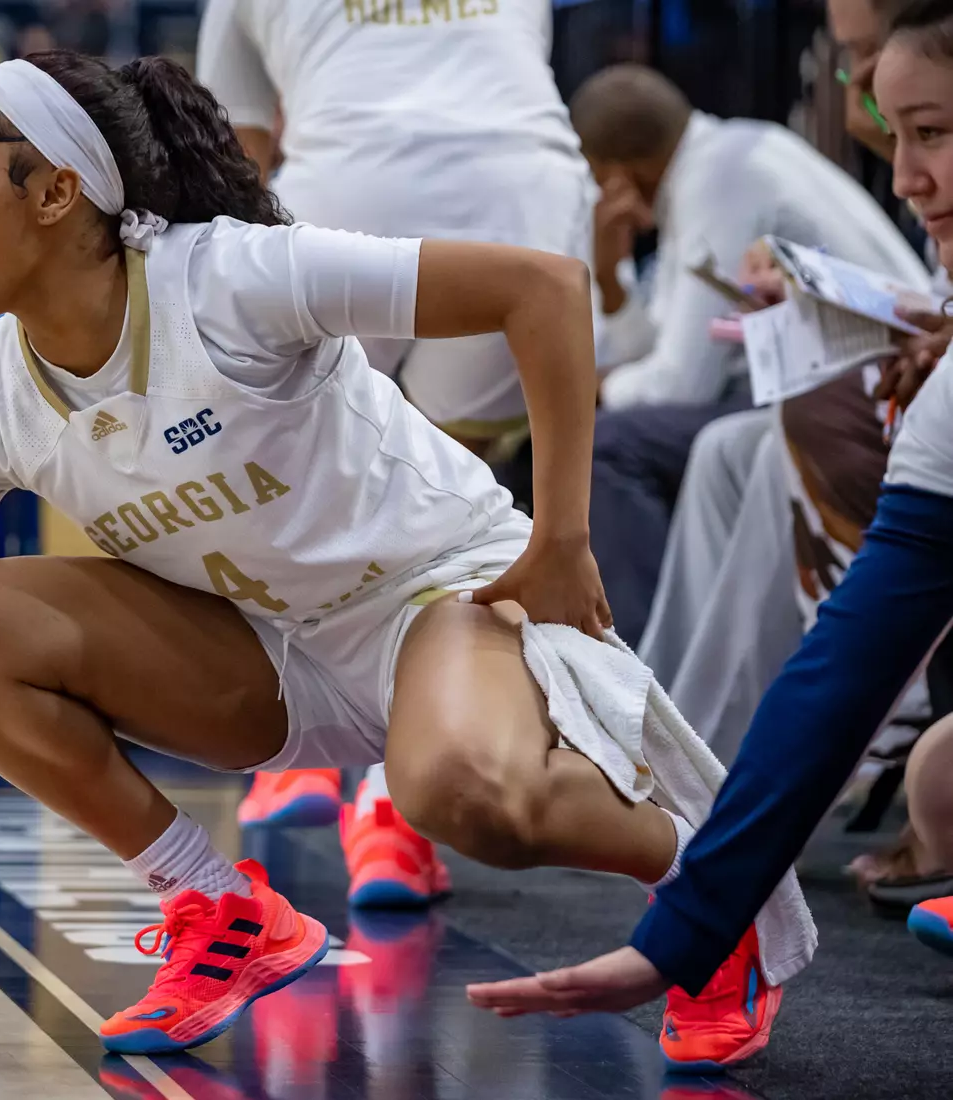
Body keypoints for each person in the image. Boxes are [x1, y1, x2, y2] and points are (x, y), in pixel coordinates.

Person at [0, 51, 794, 1070]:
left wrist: (560, 535)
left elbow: (543, 286)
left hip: (434, 592)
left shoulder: (234, 280)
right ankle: (226, 907)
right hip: (265, 649)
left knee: (467, 796)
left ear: (54, 194)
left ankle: (708, 886)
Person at [465, 0, 953, 1020]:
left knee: (634, 444)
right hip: (852, 411)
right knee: (940, 774)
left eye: (932, 133)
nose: (902, 174)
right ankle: (673, 746)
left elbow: (664, 371)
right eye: (893, 122)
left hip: (840, 403)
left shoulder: (732, 171)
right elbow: (851, 655)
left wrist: (564, 394)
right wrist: (690, 925)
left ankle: (643, 728)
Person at [194, 0, 597, 900]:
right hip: (515, 188)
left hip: (341, 187)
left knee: (305, 473)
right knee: (453, 508)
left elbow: (235, 153)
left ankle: (297, 748)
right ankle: (388, 814)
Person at [575, 63, 929, 647]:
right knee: (622, 432)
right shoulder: (726, 156)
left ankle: (624, 668)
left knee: (609, 446)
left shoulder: (720, 179)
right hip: (841, 382)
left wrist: (591, 389)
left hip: (871, 393)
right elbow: (668, 354)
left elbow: (678, 385)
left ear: (615, 175)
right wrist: (611, 285)